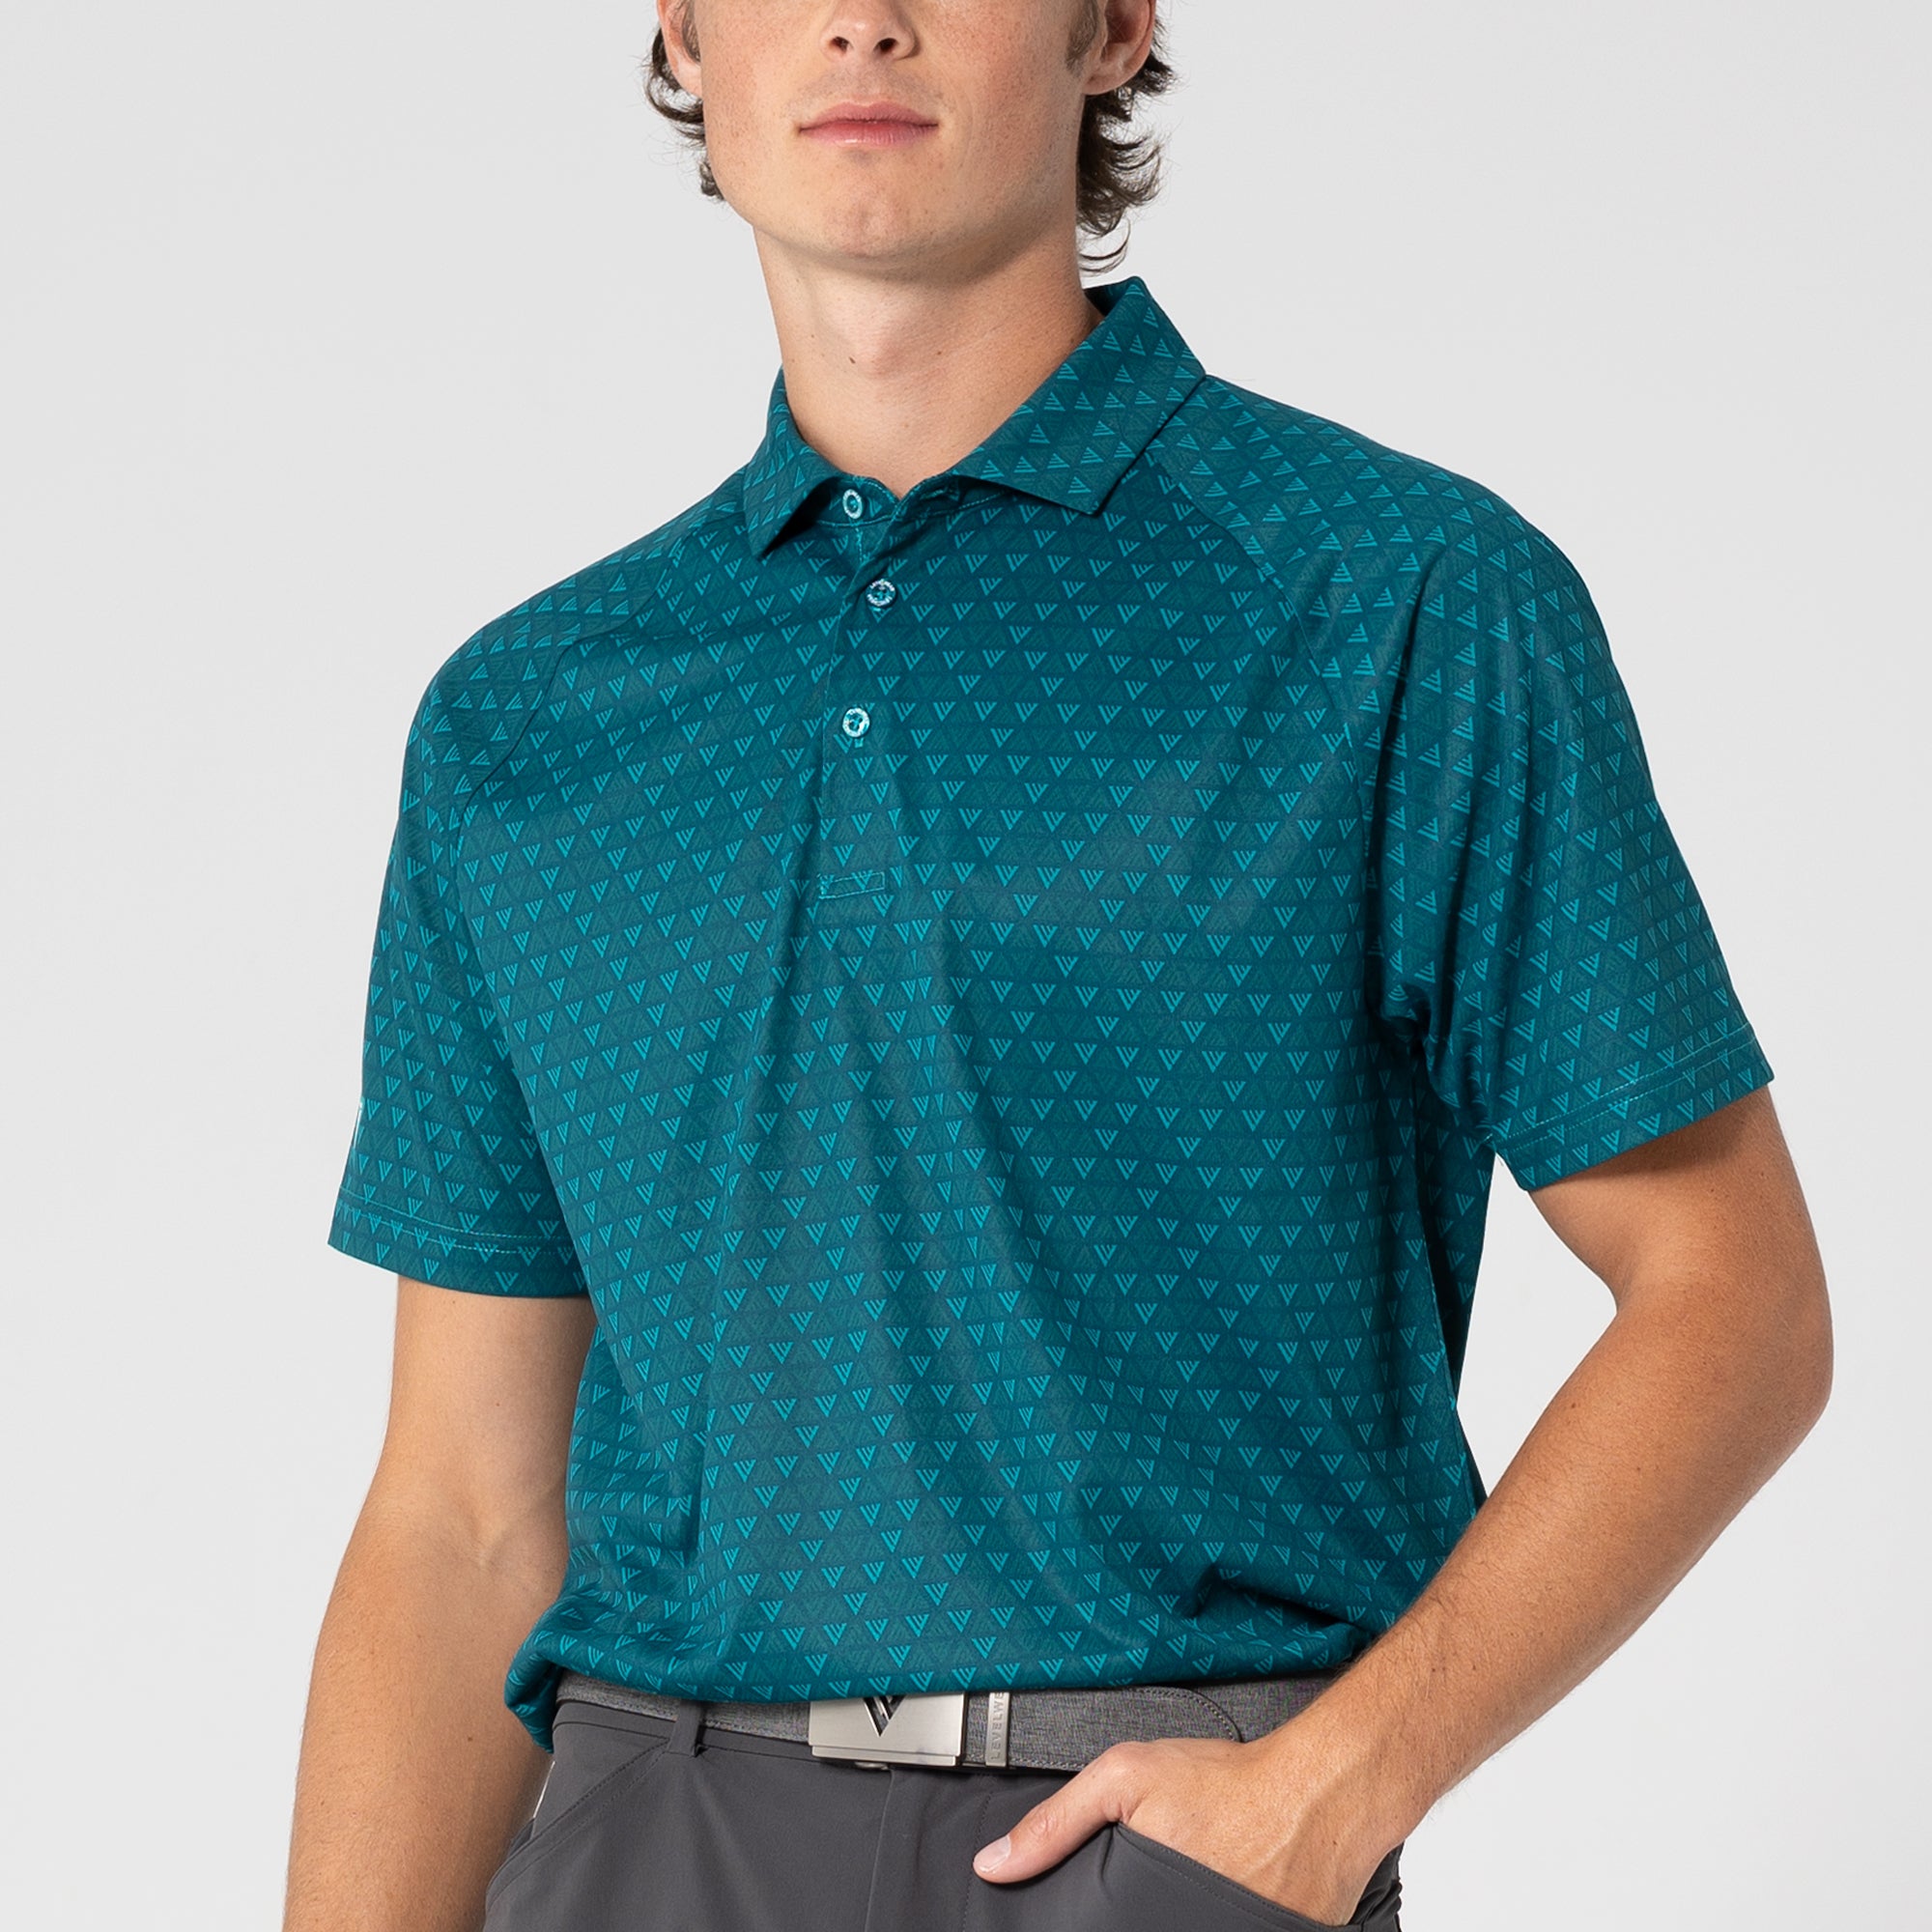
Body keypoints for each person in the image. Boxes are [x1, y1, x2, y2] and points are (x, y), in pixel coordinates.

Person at [282, 5, 1833, 1928]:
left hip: (1163, 1846)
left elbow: (1731, 1295)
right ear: (680, 25)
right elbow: (459, 1509)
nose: (863, 15)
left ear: (1113, 25)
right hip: (643, 1839)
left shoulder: (1398, 596)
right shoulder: (527, 720)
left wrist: (1331, 1789)